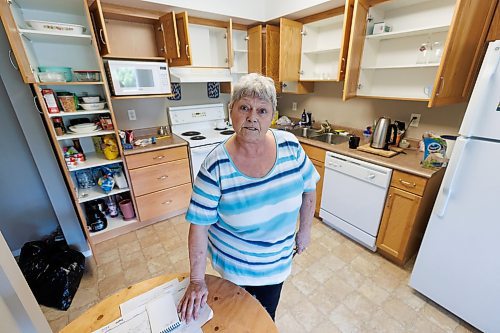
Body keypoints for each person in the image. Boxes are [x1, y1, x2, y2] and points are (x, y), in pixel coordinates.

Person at [178, 73, 319, 323]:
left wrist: (305, 231)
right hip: (236, 269)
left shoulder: (291, 146)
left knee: (265, 317)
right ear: (231, 110)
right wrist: (197, 281)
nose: (252, 117)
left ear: (272, 115)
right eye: (244, 107)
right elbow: (199, 226)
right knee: (236, 320)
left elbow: (309, 188)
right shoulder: (215, 165)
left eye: (262, 110)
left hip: (277, 264)